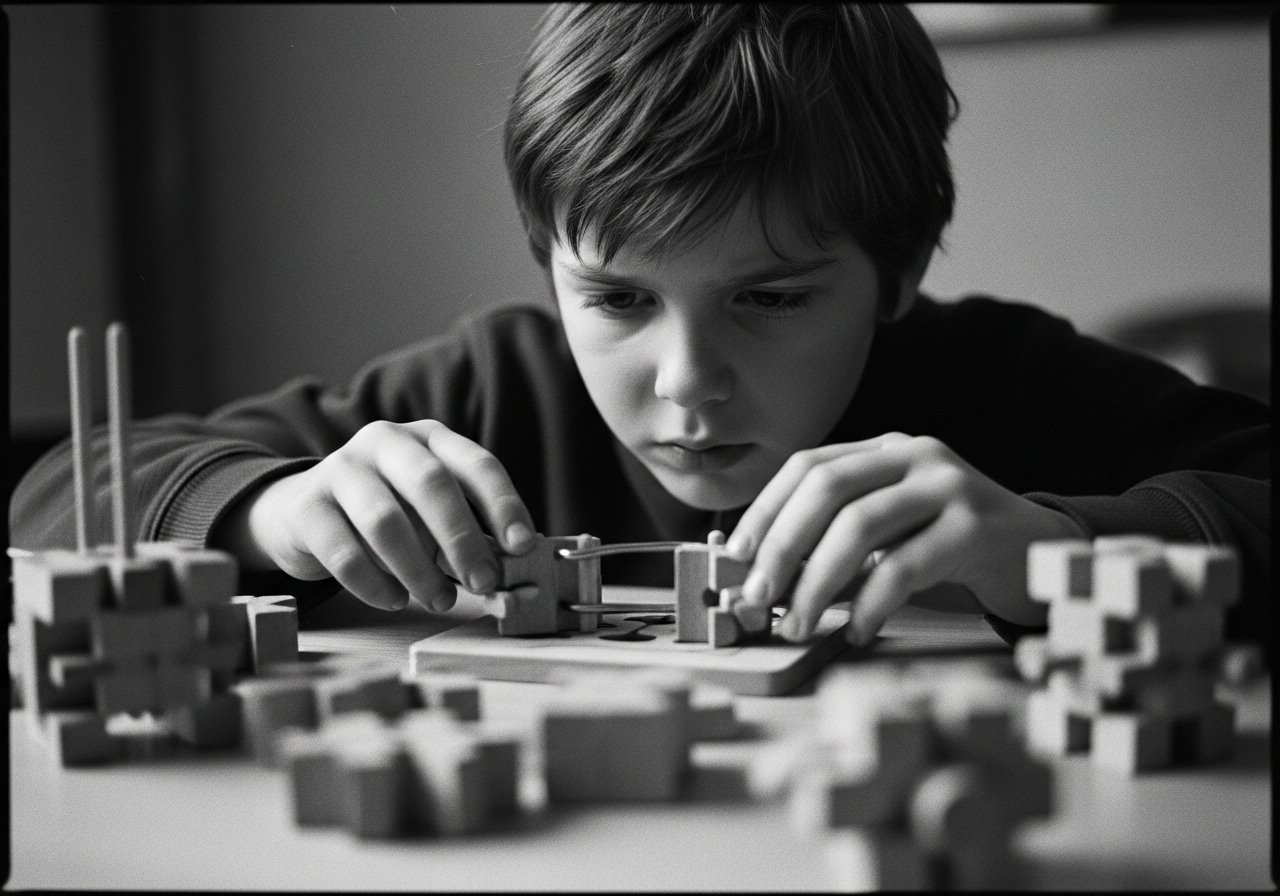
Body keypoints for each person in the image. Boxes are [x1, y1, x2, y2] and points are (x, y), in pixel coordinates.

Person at [10, 4, 1270, 660]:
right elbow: (57, 490)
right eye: (614, 298)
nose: (684, 383)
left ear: (894, 274)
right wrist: (267, 510)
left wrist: (1055, 548)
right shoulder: (491, 388)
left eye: (769, 298)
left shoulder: (1005, 382)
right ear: (549, 269)